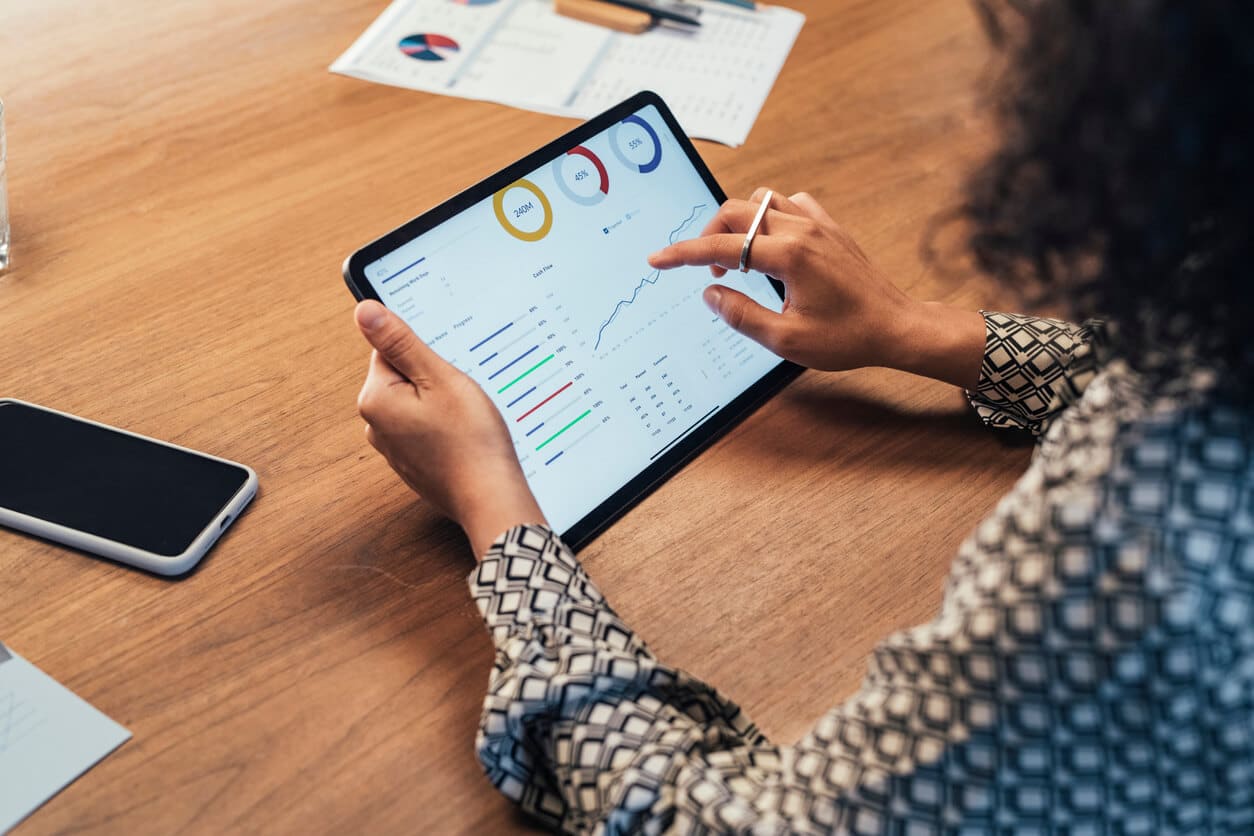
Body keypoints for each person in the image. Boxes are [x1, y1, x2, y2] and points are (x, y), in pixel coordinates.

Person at [352, 1, 1254, 831]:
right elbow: (1188, 361)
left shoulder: (1140, 541)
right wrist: (916, 330)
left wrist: (494, 505)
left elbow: (716, 824)